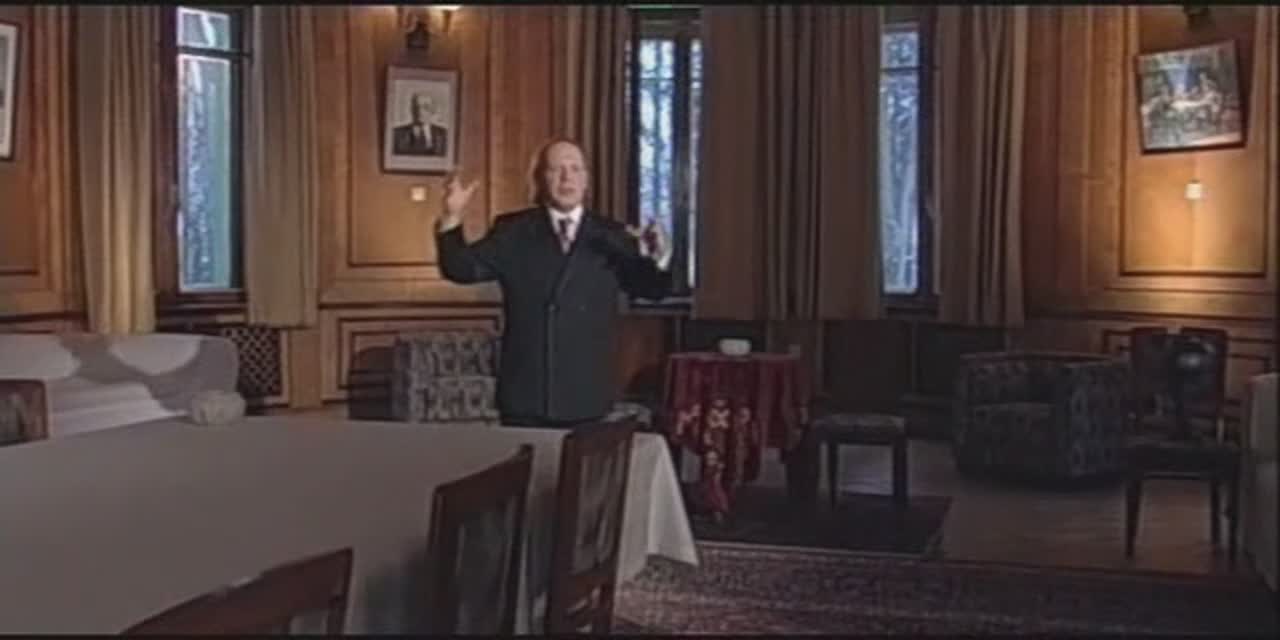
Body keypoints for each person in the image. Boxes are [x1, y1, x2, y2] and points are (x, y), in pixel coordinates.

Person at [434, 139, 672, 428]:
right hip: (527, 393)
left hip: (586, 393)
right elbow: (460, 269)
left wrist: (660, 258)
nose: (566, 177)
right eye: (556, 169)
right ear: (541, 179)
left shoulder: (613, 235)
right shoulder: (515, 231)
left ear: (586, 180)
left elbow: (651, 290)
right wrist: (452, 216)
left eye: (575, 169)